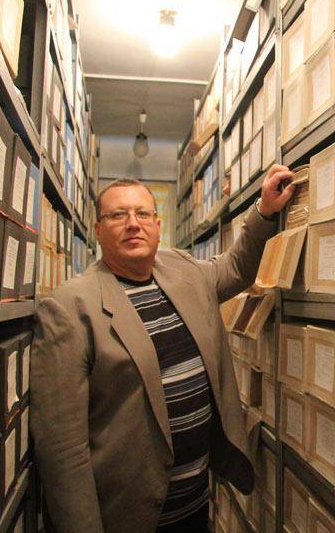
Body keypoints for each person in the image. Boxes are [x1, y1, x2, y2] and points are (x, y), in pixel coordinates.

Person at [31, 165, 296, 532]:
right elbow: (62, 448)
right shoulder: (69, 307)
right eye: (118, 215)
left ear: (157, 226)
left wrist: (264, 211)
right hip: (130, 520)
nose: (132, 224)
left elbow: (236, 267)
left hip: (195, 504)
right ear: (98, 230)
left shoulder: (183, 270)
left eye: (142, 213)